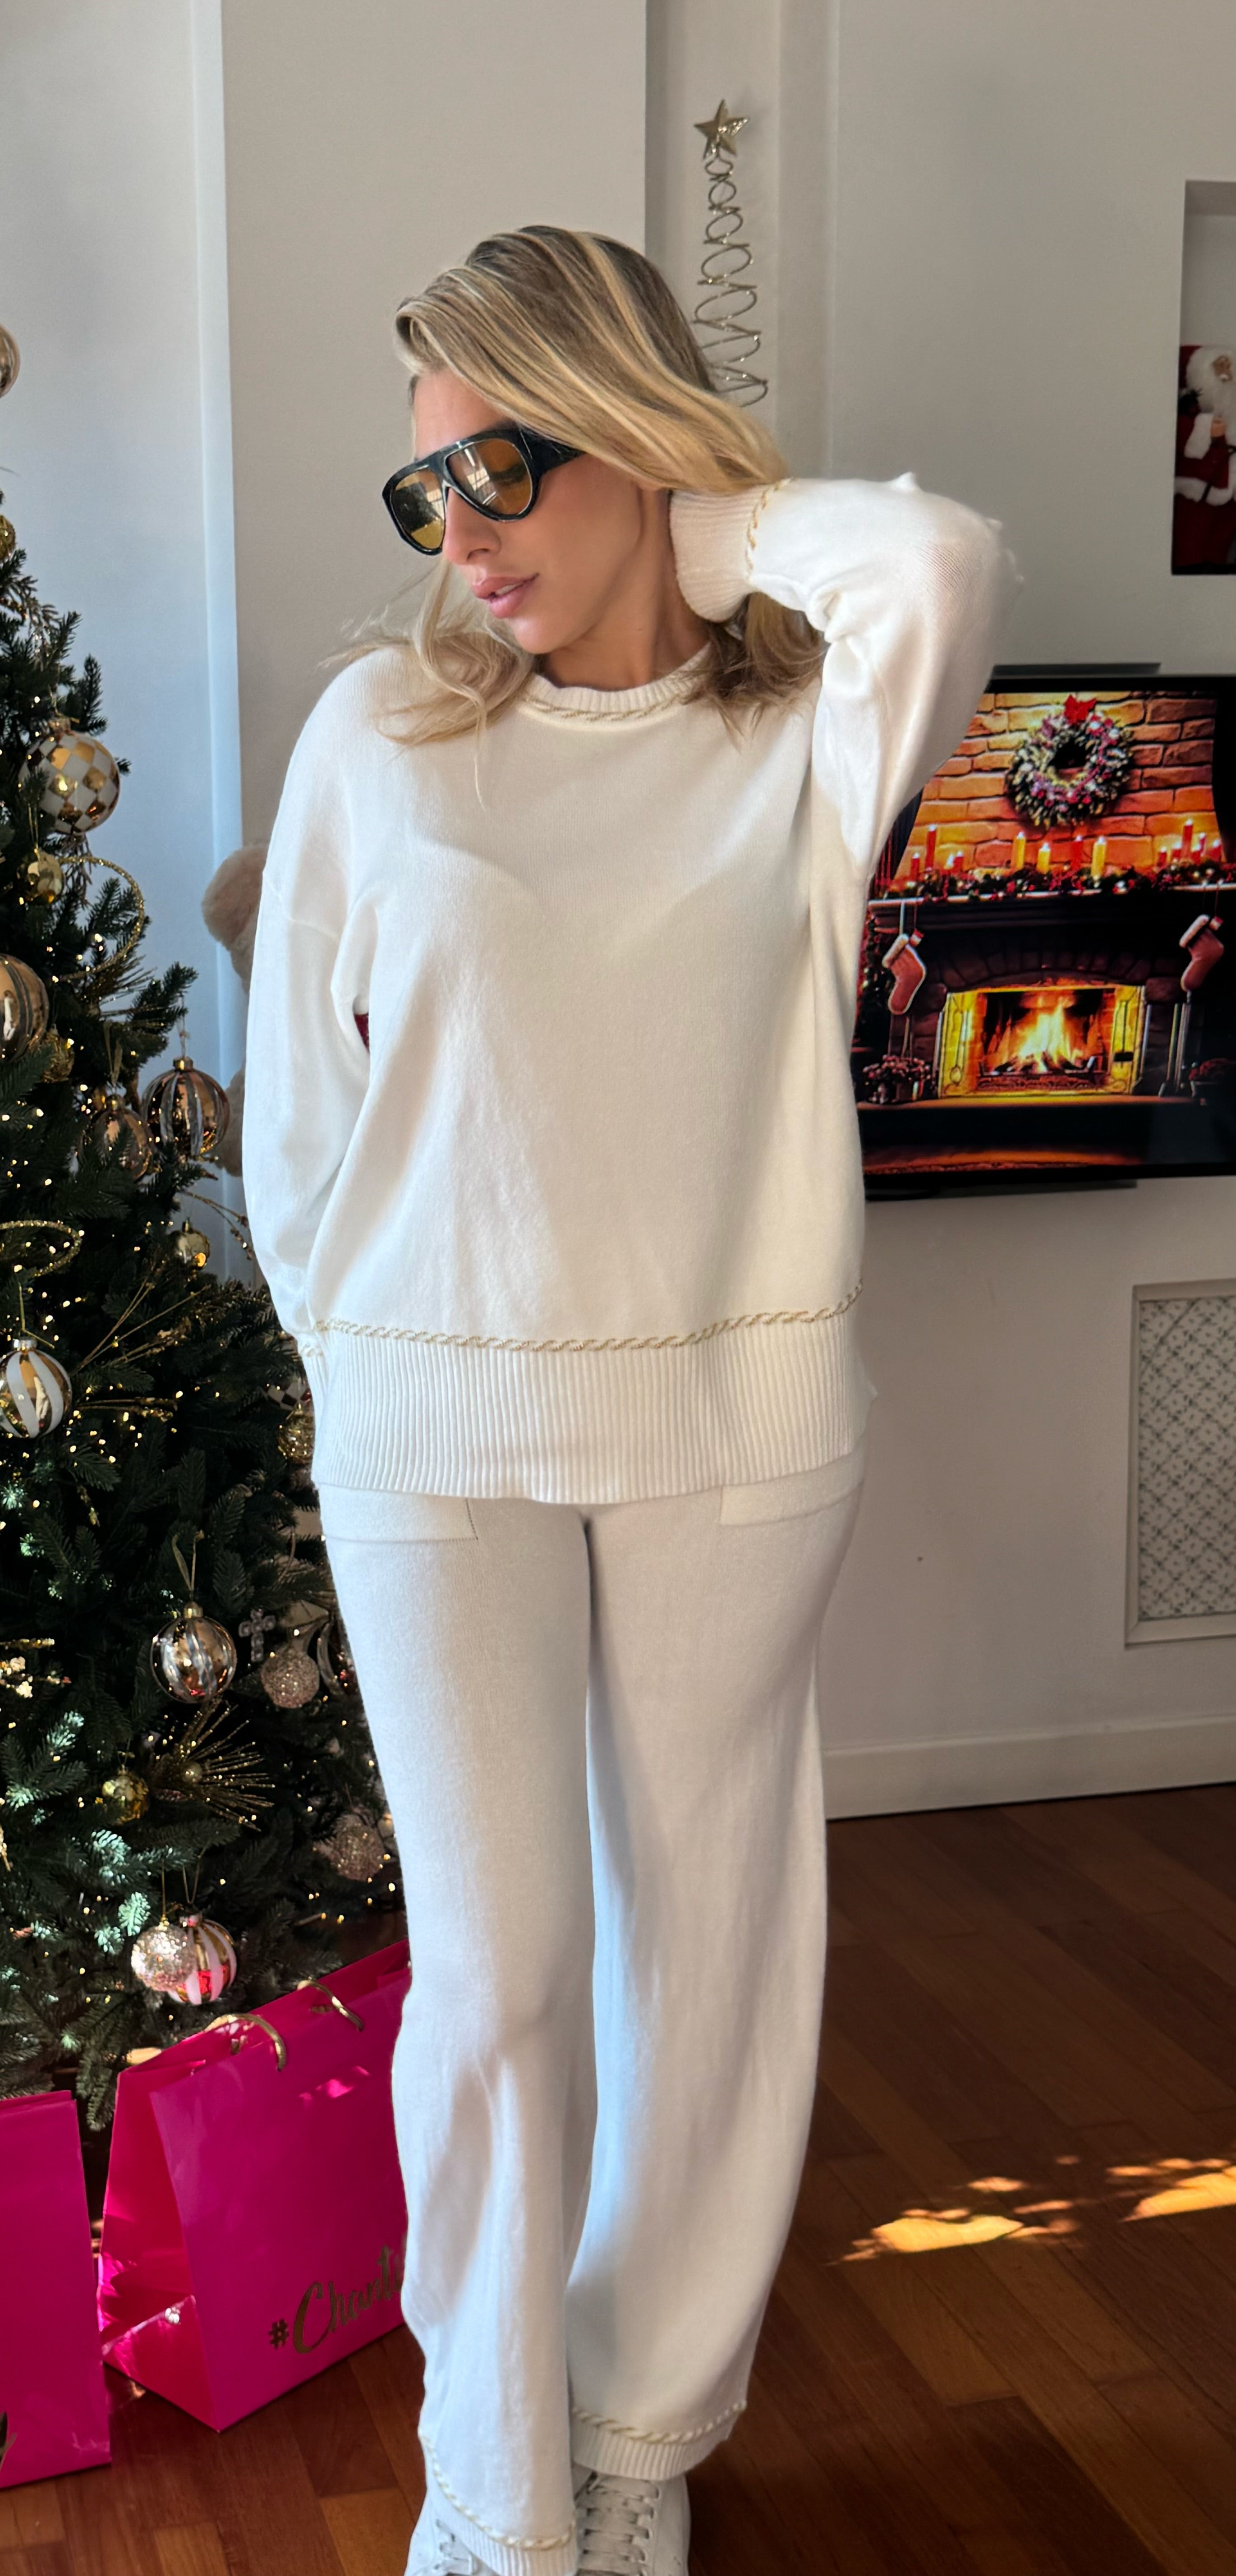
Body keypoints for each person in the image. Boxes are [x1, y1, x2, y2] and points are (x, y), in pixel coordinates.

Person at [239, 227, 1016, 2576]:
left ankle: (636, 2432)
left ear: (633, 442)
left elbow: (937, 562)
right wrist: (368, 1350)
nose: (459, 536)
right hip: (435, 1436)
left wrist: (695, 514)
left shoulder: (802, 736)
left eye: (503, 465)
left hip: (732, 1420)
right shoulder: (379, 739)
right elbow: (299, 1130)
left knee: (704, 1953)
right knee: (498, 1983)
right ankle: (494, 2492)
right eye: (424, 490)